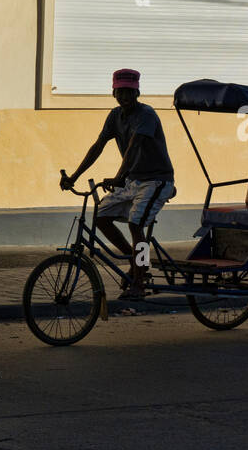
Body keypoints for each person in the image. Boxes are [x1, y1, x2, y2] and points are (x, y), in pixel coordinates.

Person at [63, 68, 175, 300]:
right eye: (120, 91)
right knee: (101, 216)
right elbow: (98, 146)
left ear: (137, 93)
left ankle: (140, 280)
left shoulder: (147, 115)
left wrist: (118, 176)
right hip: (134, 180)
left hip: (156, 180)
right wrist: (73, 176)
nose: (124, 96)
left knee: (136, 225)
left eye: (129, 91)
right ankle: (135, 263)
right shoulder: (115, 116)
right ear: (113, 92)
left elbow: (134, 146)